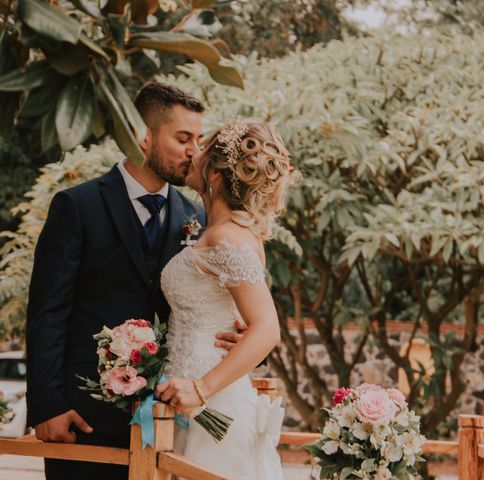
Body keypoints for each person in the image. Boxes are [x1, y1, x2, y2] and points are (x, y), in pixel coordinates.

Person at [26, 82, 244, 480]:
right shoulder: (77, 206)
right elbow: (47, 312)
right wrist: (47, 406)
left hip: (166, 423)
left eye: (198, 139)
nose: (194, 150)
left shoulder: (195, 214)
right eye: (182, 138)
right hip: (81, 419)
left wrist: (237, 330)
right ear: (143, 135)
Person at [155, 120, 296, 479]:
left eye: (201, 147)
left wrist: (201, 390)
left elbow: (266, 329)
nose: (193, 152)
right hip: (188, 399)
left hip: (212, 404)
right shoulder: (217, 232)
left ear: (215, 174)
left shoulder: (228, 238)